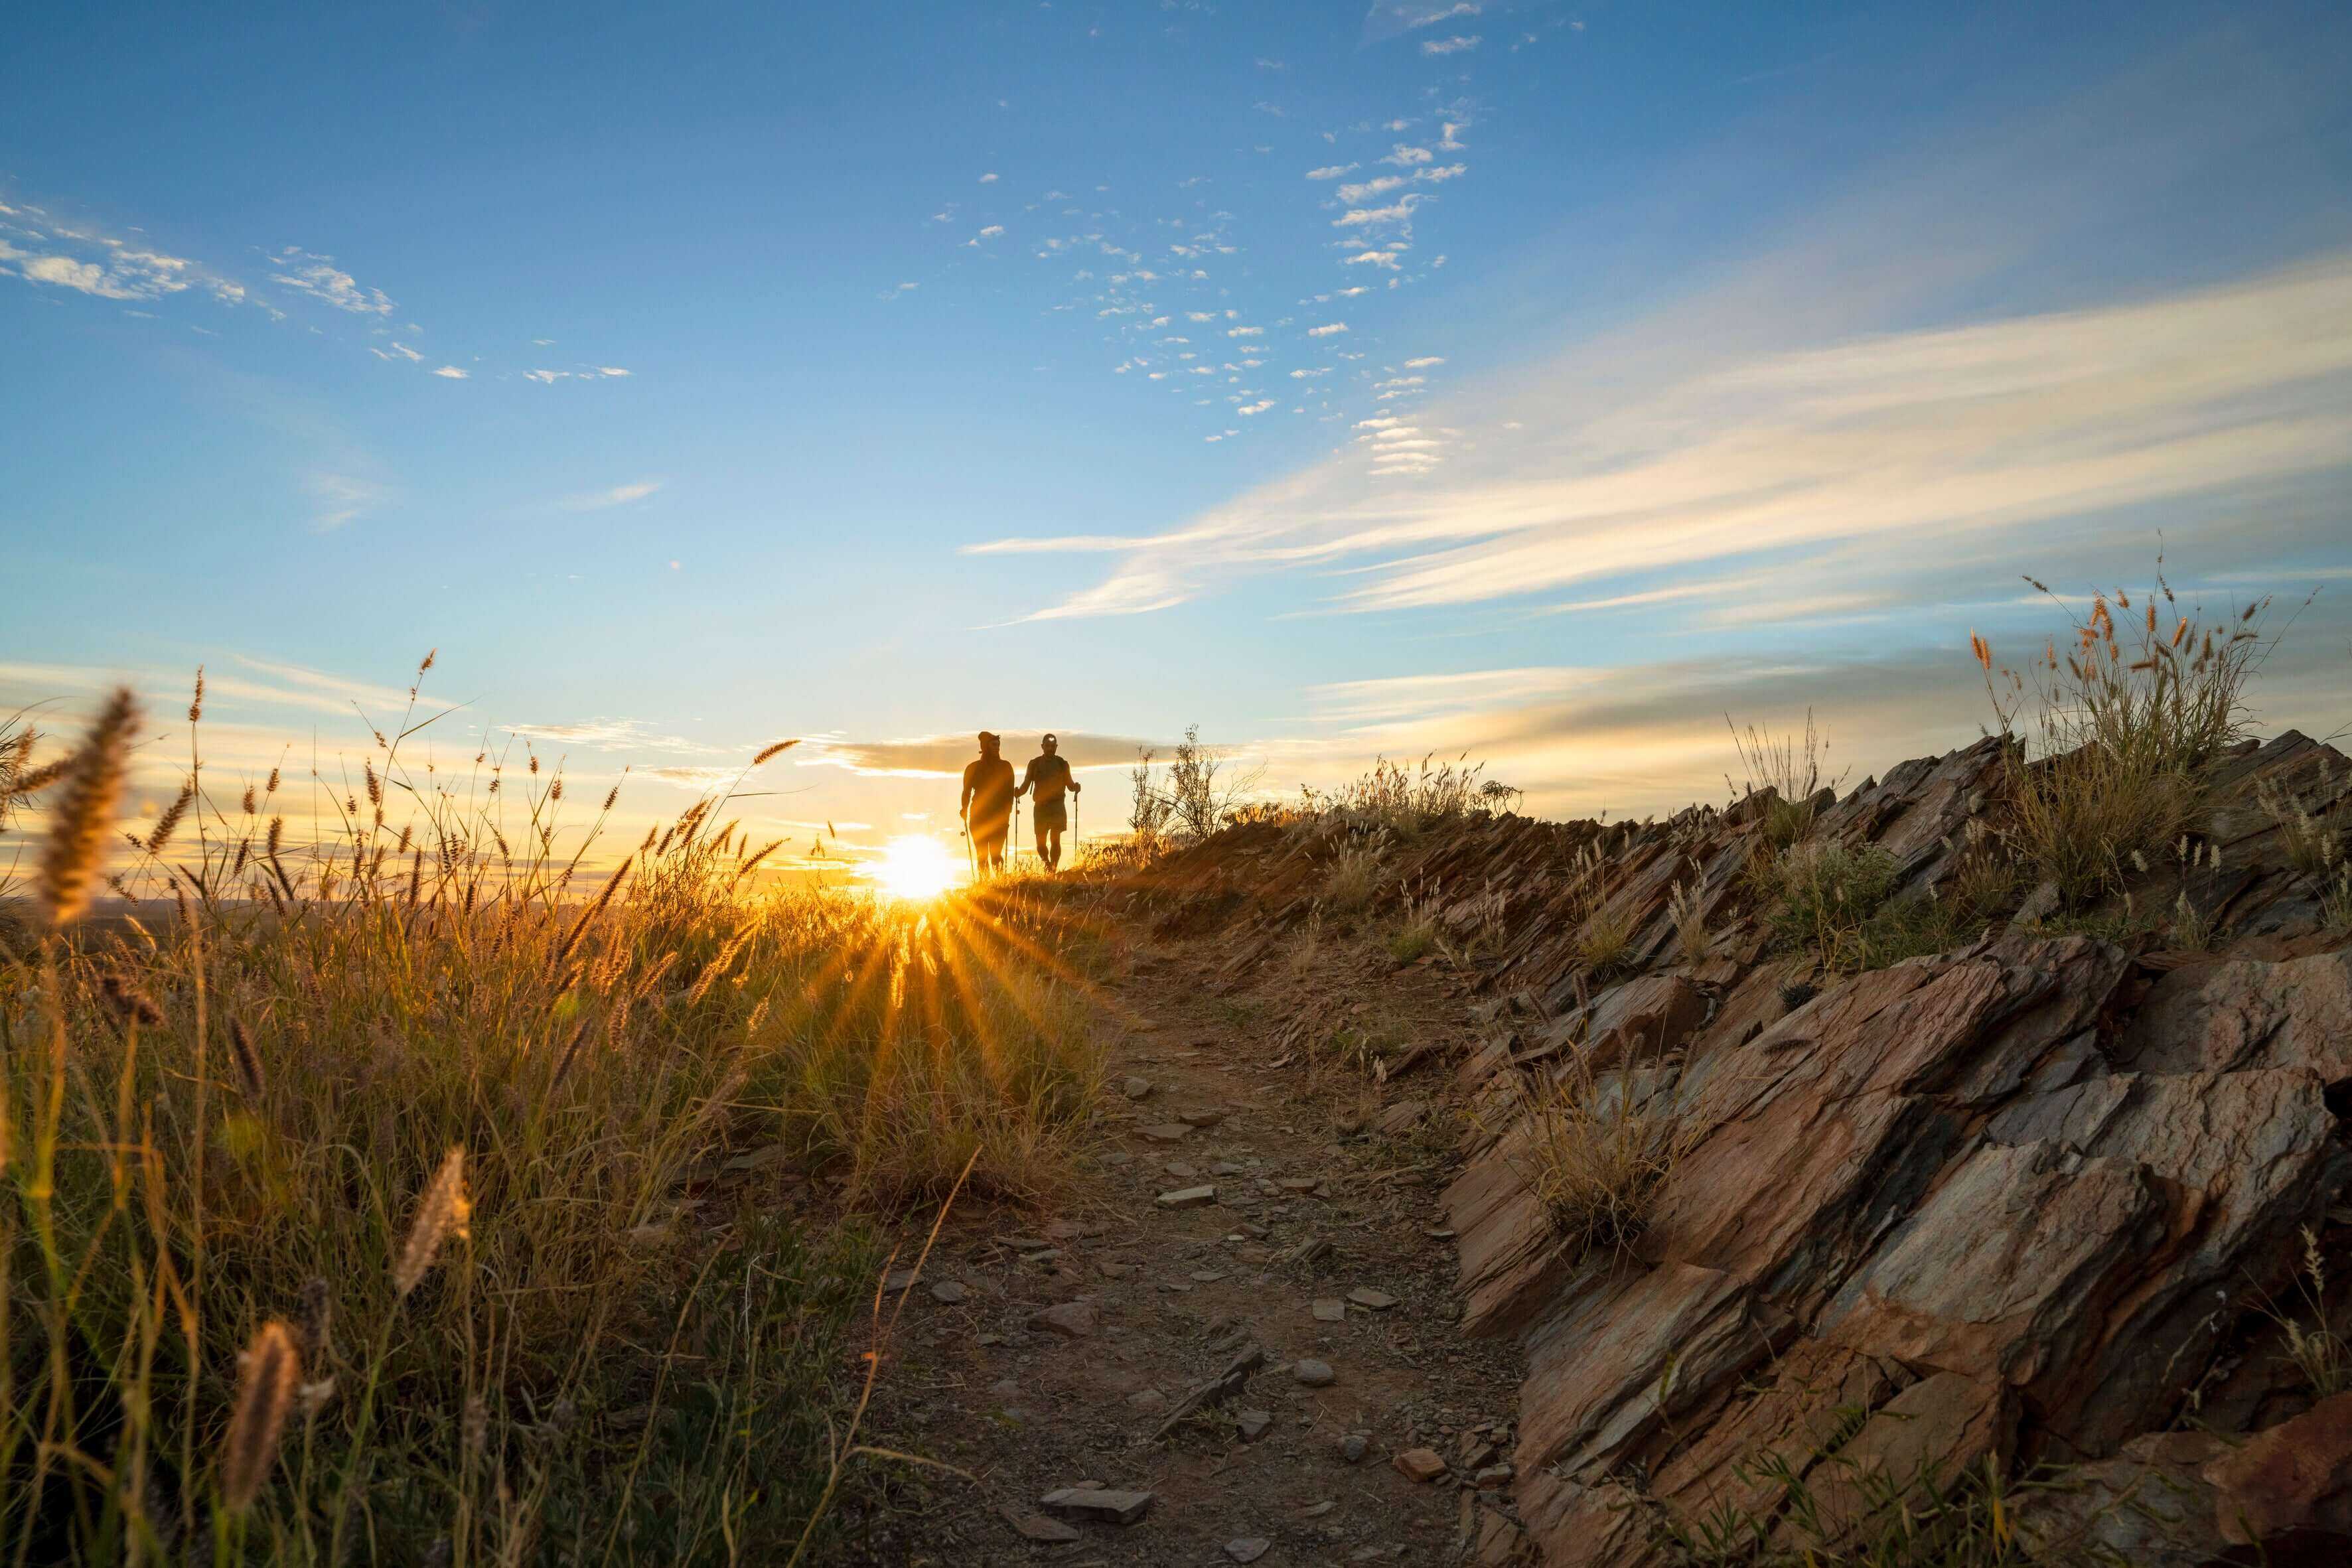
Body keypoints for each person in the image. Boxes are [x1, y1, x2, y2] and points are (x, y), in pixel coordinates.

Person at [1014, 732, 1082, 872]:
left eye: (1053, 746)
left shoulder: (1062, 764)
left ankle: (1054, 868)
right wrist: (1018, 792)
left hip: (1057, 806)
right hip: (1040, 807)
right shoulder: (1034, 764)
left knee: (1055, 839)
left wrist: (1076, 787)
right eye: (1048, 746)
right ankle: (1047, 864)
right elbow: (1026, 784)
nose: (1051, 749)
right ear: (1042, 746)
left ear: (1056, 747)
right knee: (1040, 844)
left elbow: (1069, 785)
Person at [960, 731, 1015, 874]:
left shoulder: (1006, 767)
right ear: (985, 747)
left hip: (999, 817)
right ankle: (985, 888)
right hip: (979, 816)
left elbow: (1010, 794)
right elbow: (966, 792)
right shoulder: (973, 768)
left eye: (998, 745)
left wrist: (1007, 813)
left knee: (996, 855)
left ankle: (1000, 885)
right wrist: (964, 809)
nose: (997, 748)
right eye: (994, 745)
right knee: (982, 855)